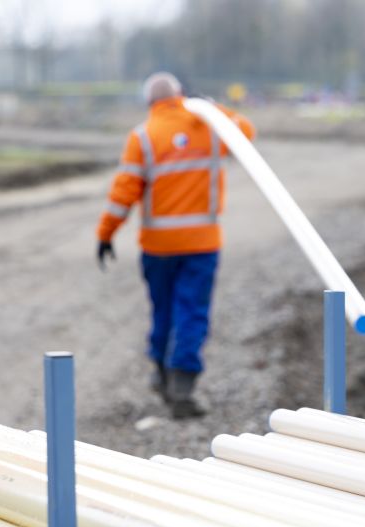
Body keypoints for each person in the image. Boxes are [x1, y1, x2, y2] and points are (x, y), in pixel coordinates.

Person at [96, 71, 255, 419]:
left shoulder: (143, 136)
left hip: (158, 246)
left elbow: (123, 193)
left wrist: (106, 234)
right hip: (201, 243)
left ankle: (161, 372)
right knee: (191, 312)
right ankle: (182, 386)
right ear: (182, 95)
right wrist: (213, 108)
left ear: (150, 102)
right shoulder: (210, 126)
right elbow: (246, 132)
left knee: (163, 310)